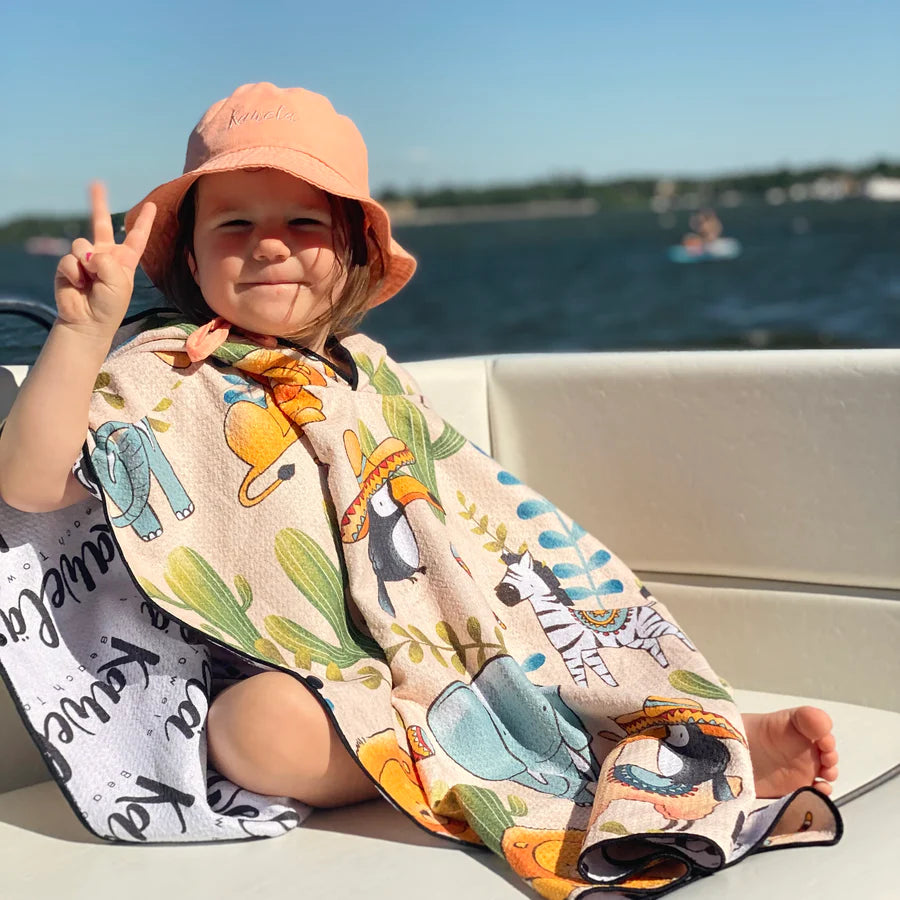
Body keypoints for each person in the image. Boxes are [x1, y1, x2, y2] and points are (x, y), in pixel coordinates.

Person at [0, 83, 837, 822]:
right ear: (189, 254)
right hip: (312, 678)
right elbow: (30, 485)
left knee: (553, 636)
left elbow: (458, 517)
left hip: (447, 646)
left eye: (303, 221)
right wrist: (82, 333)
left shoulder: (372, 374)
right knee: (252, 731)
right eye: (235, 224)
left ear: (356, 251)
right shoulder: (164, 369)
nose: (269, 244)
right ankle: (457, 760)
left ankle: (697, 736)